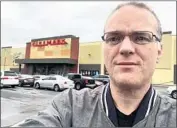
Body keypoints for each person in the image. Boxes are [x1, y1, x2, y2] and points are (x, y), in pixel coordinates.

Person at [13, 1, 176, 127]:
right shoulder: (70, 106)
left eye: (141, 37)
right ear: (104, 49)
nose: (126, 48)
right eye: (113, 38)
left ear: (159, 51)